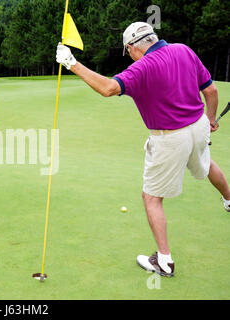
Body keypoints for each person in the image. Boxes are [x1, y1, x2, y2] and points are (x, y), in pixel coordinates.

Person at [56, 22, 230, 277]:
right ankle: (229, 199)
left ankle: (164, 261)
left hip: (170, 139)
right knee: (205, 161)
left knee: (151, 198)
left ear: (131, 47)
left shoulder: (142, 67)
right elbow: (211, 90)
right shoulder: (183, 50)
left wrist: (71, 63)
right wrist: (211, 119)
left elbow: (108, 88)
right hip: (199, 126)